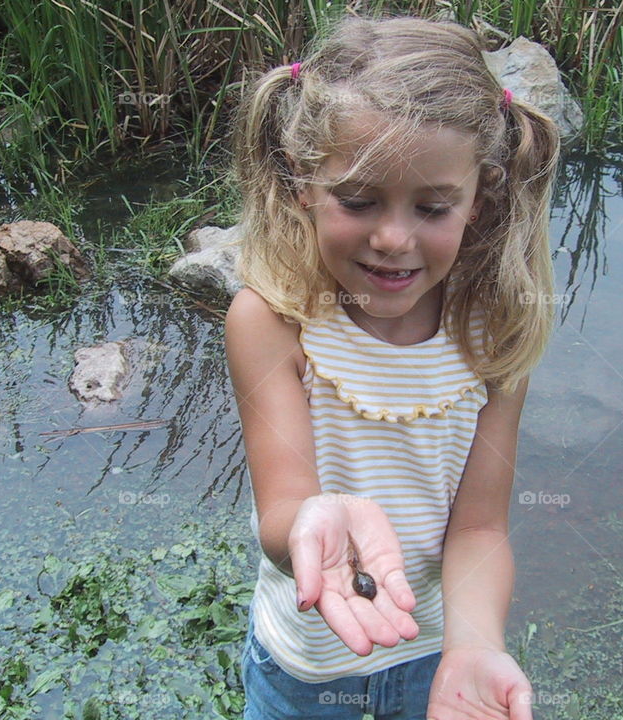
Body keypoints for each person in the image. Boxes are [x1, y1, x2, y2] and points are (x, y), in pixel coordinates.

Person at [224, 14, 559, 720]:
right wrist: (317, 519)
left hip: (433, 652)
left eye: (433, 207)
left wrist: (474, 644)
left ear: (481, 200)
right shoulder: (271, 321)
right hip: (306, 664)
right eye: (359, 199)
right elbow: (283, 510)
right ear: (300, 183)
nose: (394, 238)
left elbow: (477, 529)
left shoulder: (495, 332)